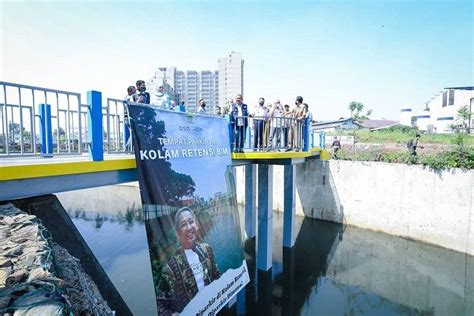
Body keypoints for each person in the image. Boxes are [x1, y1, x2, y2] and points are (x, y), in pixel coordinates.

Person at [157, 207, 220, 315]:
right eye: (183, 224)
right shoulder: (171, 269)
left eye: (191, 222)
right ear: (178, 233)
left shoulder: (207, 250)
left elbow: (217, 276)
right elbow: (159, 304)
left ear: (197, 224)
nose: (189, 227)